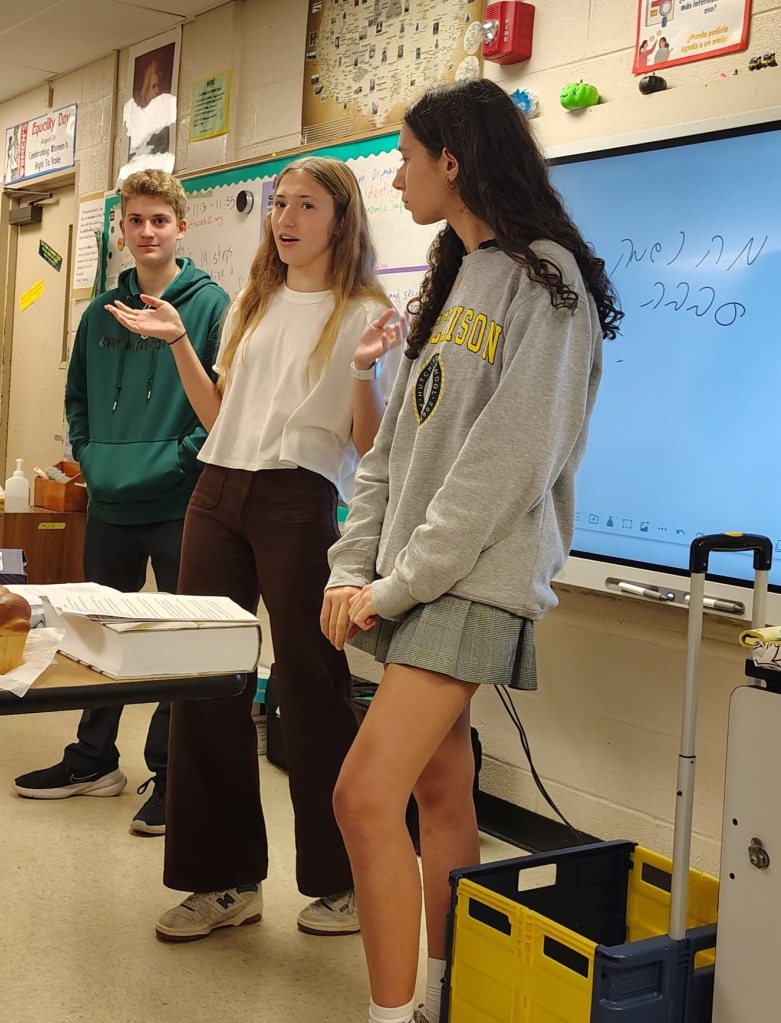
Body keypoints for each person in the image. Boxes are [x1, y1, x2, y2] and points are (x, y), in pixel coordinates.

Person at [320, 78, 623, 1023]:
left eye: (407, 158)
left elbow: (504, 469)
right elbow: (393, 455)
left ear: (453, 160)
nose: (398, 177)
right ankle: (443, 1000)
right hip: (417, 584)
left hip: (468, 583)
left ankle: (391, 1016)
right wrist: (350, 568)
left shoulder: (549, 278)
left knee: (363, 797)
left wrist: (396, 584)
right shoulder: (454, 279)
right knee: (444, 787)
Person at [104, 155, 403, 942]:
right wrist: (177, 343)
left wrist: (368, 373)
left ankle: (340, 882)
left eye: (305, 205)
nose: (285, 218)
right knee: (206, 679)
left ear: (341, 219)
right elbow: (220, 414)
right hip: (217, 490)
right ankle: (223, 880)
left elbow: (371, 447)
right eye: (279, 204)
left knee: (310, 683)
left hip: (299, 497)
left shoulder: (367, 308)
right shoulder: (254, 299)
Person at [12, 169, 229, 836]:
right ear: (122, 229)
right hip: (109, 495)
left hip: (176, 497)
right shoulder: (99, 311)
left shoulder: (212, 305)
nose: (146, 231)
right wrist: (92, 453)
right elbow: (77, 394)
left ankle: (170, 775)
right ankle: (93, 759)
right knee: (97, 631)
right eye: (135, 220)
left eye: (159, 219)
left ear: (181, 226)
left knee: (172, 641)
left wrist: (176, 456)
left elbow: (221, 399)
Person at [121, 56, 176, 178]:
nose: (157, 90)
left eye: (158, 85)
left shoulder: (165, 121)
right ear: (146, 89)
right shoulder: (136, 122)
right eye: (153, 86)